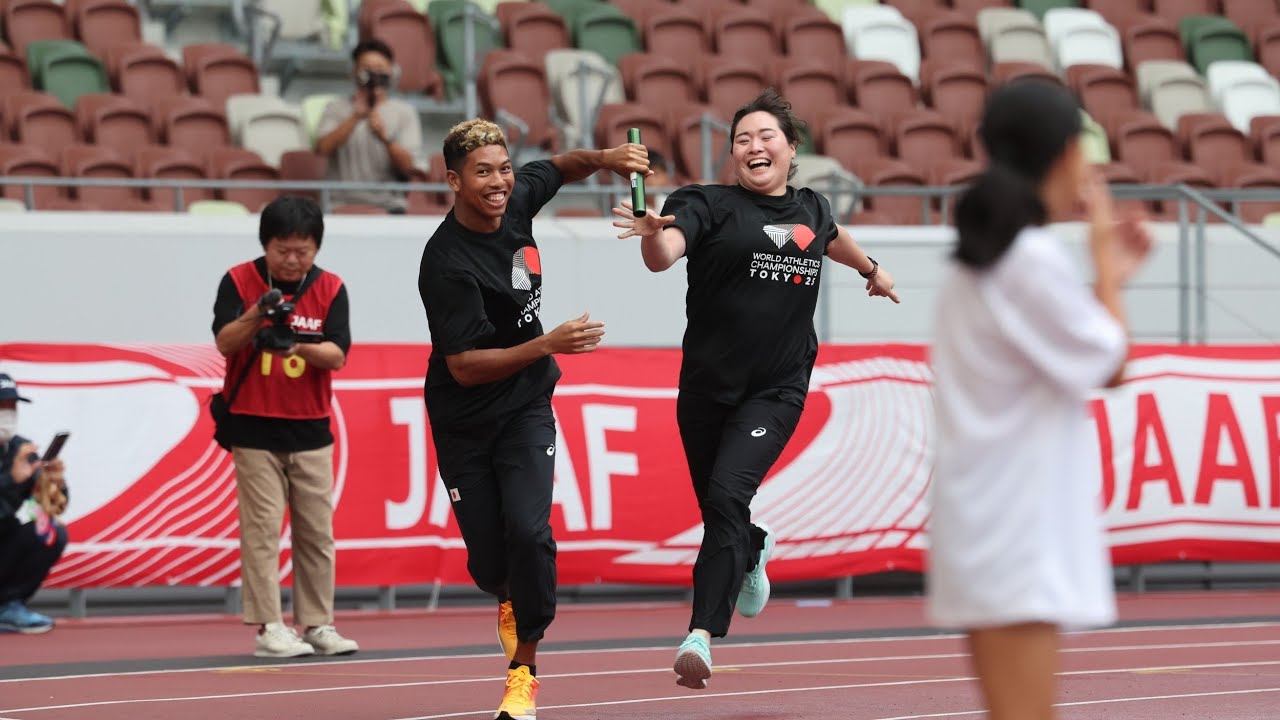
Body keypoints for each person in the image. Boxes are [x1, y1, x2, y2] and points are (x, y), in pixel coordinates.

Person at [611, 88, 899, 690]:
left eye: (765, 137)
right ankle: (754, 545)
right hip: (705, 390)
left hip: (776, 389)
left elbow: (833, 238)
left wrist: (871, 270)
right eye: (742, 139)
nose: (753, 147)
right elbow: (664, 253)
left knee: (724, 495)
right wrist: (647, 232)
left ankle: (700, 635)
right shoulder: (706, 204)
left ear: (791, 151)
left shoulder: (812, 210)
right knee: (723, 509)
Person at [927, 79, 1152, 720]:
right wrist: (1105, 262)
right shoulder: (1028, 258)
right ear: (1063, 157)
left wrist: (1106, 278)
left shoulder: (984, 262)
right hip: (1018, 533)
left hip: (990, 524)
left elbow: (1066, 337)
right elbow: (1112, 363)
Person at [417, 118, 648, 720]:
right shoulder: (444, 261)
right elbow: (464, 366)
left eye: (504, 169)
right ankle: (507, 596)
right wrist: (547, 343)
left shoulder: (516, 198)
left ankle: (525, 672)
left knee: (530, 531)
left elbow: (561, 168)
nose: (499, 183)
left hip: (525, 408)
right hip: (463, 419)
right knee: (492, 563)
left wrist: (607, 156)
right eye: (483, 173)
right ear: (453, 180)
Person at [211, 195, 359, 659]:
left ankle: (317, 623)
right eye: (282, 250)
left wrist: (294, 345)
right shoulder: (238, 280)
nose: (293, 260)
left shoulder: (331, 287)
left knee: (317, 533)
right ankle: (270, 627)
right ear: (266, 245)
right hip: (253, 429)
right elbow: (224, 342)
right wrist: (258, 313)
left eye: (303, 250)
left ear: (316, 247)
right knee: (261, 531)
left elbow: (337, 354)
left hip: (311, 430)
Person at [315, 39, 422, 213]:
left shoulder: (405, 112)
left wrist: (385, 139)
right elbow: (322, 149)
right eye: (367, 69)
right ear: (354, 72)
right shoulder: (336, 108)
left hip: (389, 205)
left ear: (392, 72)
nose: (373, 76)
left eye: (380, 69)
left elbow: (408, 166)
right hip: (339, 204)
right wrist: (355, 116)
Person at [0, 373, 68, 634]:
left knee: (50, 533)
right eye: (1, 407)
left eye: (11, 407)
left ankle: (7, 605)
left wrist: (55, 483)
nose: (7, 414)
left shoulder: (20, 449)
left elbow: (54, 507)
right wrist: (10, 480)